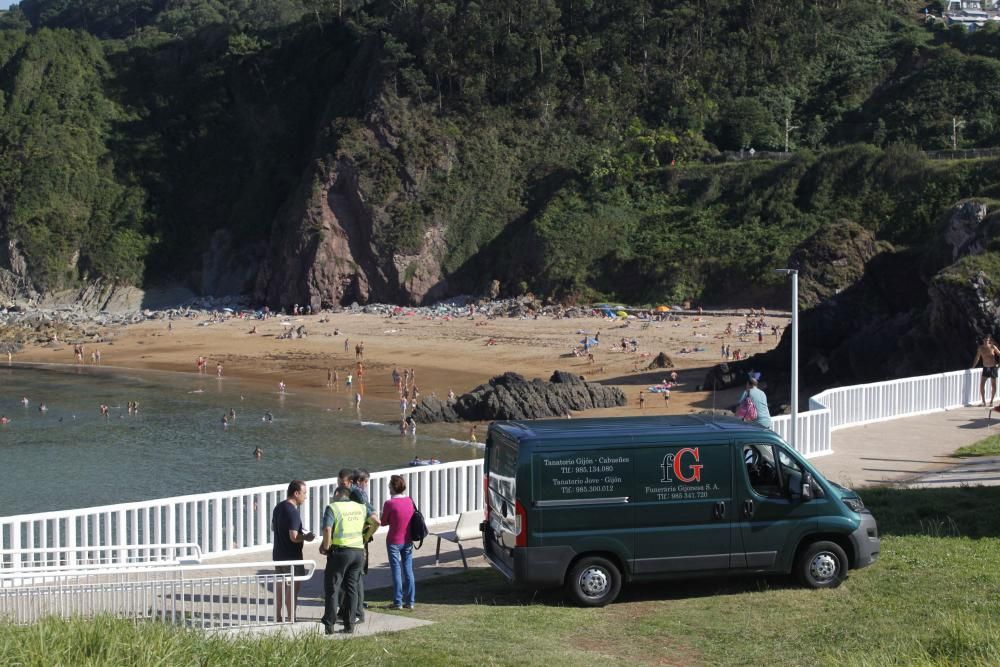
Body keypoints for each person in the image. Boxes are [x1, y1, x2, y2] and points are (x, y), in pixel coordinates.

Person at [320, 485, 367, 634]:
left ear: (338, 494)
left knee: (333, 588)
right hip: (358, 552)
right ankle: (349, 625)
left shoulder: (333, 507)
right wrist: (364, 539)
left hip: (341, 552)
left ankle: (329, 625)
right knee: (352, 588)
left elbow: (327, 529)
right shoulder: (361, 507)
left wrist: (326, 547)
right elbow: (374, 521)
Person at [271, 481, 315, 623]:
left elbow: (273, 527)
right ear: (296, 493)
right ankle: (291, 618)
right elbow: (294, 537)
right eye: (304, 493)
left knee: (279, 586)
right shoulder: (293, 512)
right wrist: (307, 537)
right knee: (293, 588)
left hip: (278, 554)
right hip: (292, 556)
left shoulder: (278, 507)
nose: (305, 497)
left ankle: (277, 616)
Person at [380, 474, 416, 610]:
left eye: (389, 485)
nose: (388, 487)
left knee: (396, 570)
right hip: (408, 540)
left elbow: (383, 522)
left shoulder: (389, 504)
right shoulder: (409, 501)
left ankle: (398, 602)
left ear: (393, 487)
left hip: (393, 540)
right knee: (408, 570)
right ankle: (410, 601)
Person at [972, 335, 1000, 406]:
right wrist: (973, 367)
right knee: (982, 385)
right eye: (985, 340)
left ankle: (991, 401)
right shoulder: (980, 348)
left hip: (993, 368)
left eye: (987, 340)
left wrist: (999, 365)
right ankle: (983, 402)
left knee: (993, 385)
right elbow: (977, 358)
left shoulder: (993, 347)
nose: (986, 341)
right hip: (986, 368)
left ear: (989, 340)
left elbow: (999, 354)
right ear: (983, 340)